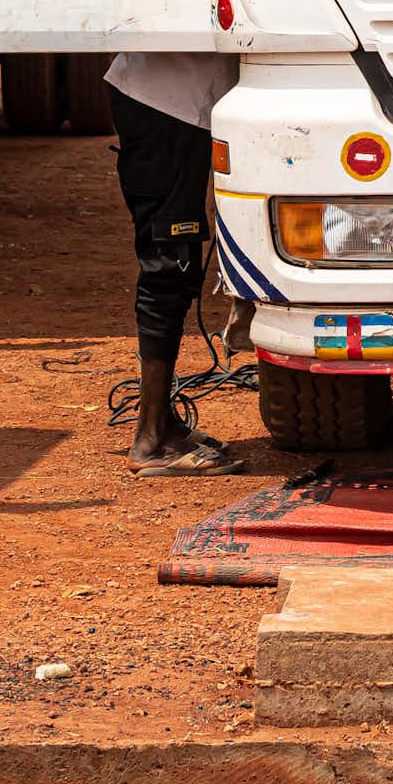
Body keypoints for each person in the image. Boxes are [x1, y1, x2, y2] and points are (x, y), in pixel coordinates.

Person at [102, 51, 243, 476]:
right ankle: (150, 439)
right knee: (170, 265)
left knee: (175, 264)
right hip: (166, 104)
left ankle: (163, 421)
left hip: (173, 102)